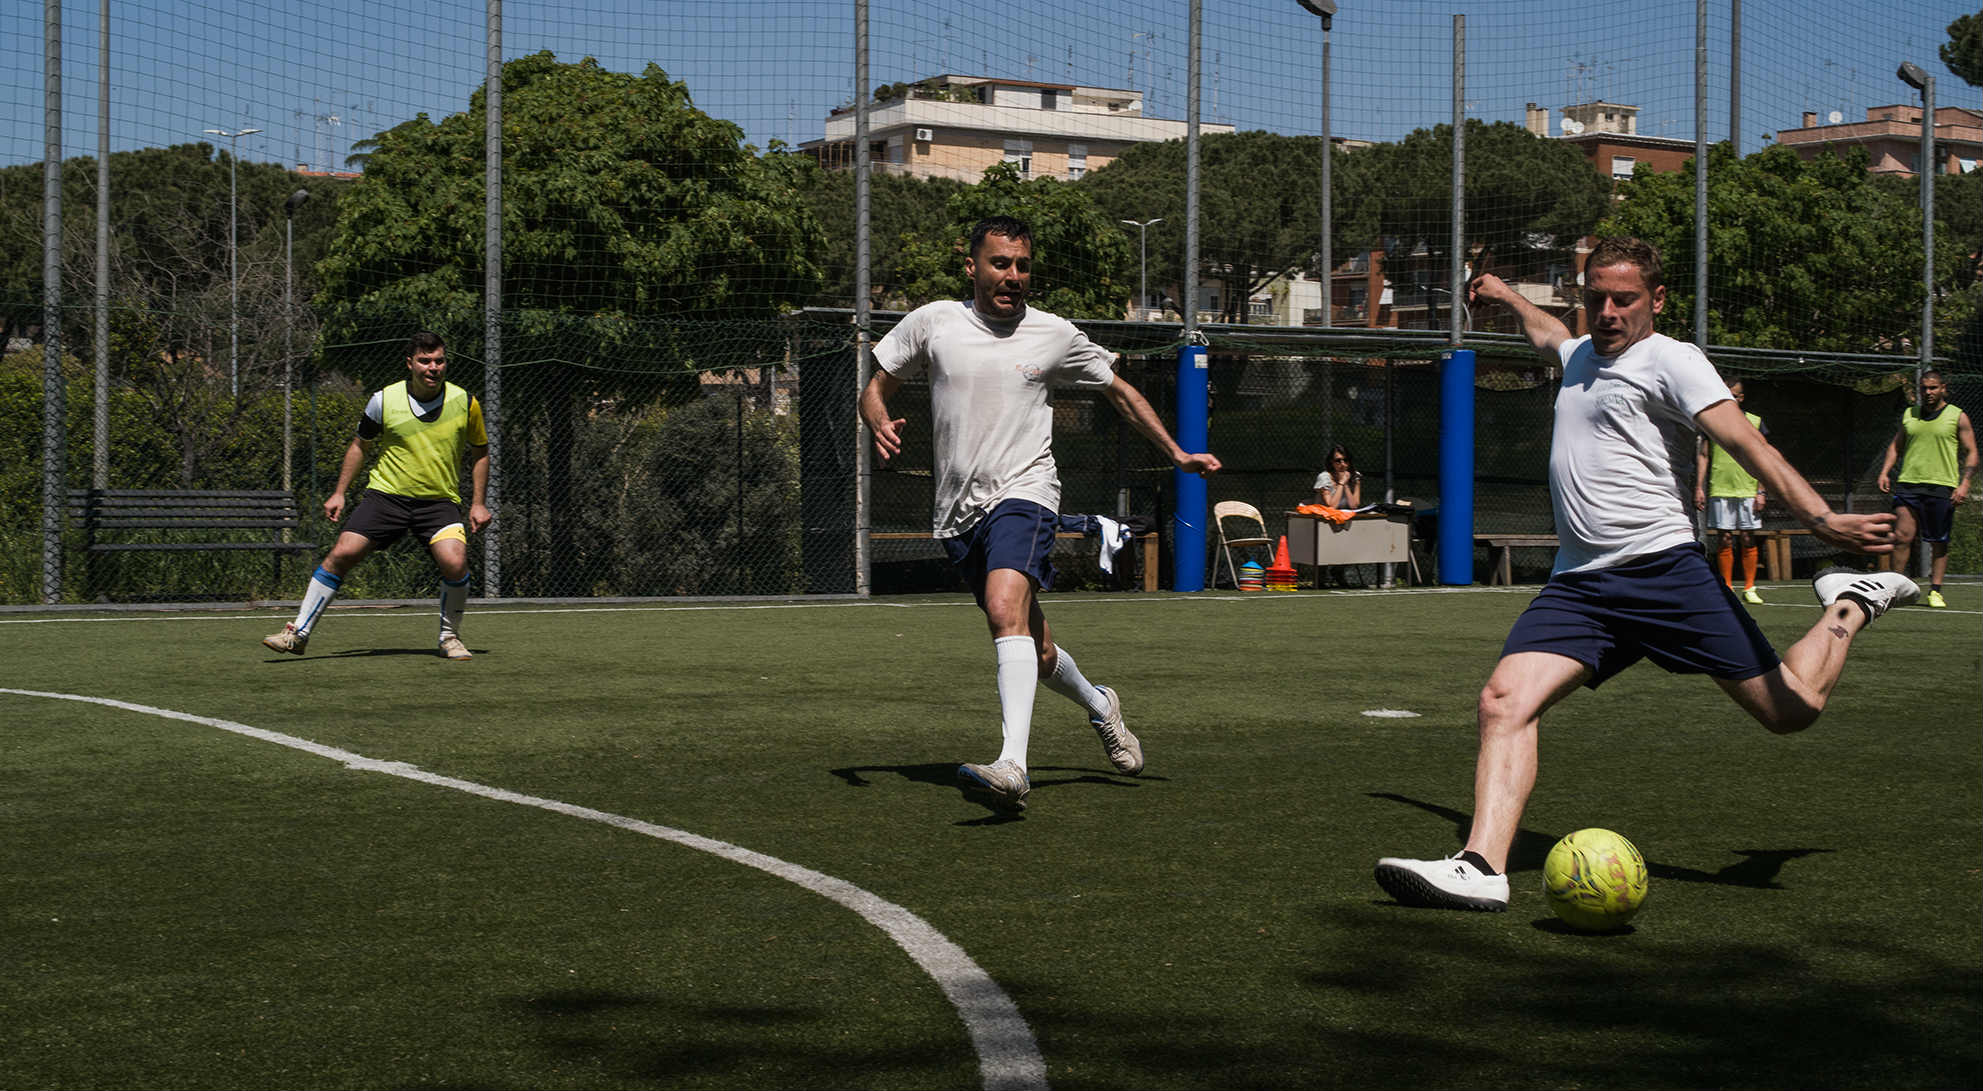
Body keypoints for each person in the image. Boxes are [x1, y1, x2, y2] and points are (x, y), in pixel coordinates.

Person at [1374, 237, 1916, 912]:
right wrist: (1508, 296)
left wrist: (1819, 520)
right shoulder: (1577, 357)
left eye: (1623, 299)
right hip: (1580, 583)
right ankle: (1481, 864)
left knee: (1790, 711)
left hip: (1661, 571)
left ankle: (1848, 604)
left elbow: (1745, 442)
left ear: (1656, 299)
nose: (1606, 311)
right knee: (1502, 701)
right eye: (1595, 296)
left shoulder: (1672, 360)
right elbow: (1549, 336)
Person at [860, 215, 1222, 814]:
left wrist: (1177, 451)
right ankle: (1102, 704)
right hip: (958, 512)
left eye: (1022, 265)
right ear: (972, 266)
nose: (1012, 276)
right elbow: (877, 385)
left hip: (1027, 492)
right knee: (1039, 647)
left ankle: (1012, 766)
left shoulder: (1053, 334)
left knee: (1006, 611)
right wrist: (876, 418)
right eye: (1000, 263)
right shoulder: (934, 322)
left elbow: (1121, 393)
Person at [262, 331, 492, 660]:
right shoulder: (383, 400)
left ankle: (449, 637)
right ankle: (297, 634)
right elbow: (360, 445)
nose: (433, 367)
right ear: (410, 363)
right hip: (386, 498)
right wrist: (340, 492)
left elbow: (480, 451)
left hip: (439, 503)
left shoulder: (465, 402)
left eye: (439, 360)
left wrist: (478, 502)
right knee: (343, 552)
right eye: (425, 361)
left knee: (454, 562)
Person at [1875, 370, 1976, 609]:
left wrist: (1964, 484)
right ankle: (1894, 590)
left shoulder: (1957, 416)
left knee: (1938, 541)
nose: (1928, 392)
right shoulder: (1909, 414)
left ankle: (1935, 591)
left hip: (1942, 486)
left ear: (1943, 388)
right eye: (1923, 388)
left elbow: (1972, 452)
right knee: (1901, 537)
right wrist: (1884, 471)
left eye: (1932, 388)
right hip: (1909, 483)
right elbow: (1895, 446)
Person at [1693, 379, 1768, 604]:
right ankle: (1726, 586)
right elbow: (1704, 455)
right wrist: (1699, 487)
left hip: (1747, 489)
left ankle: (1749, 587)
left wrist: (1761, 491)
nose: (1732, 399)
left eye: (1736, 395)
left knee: (1747, 537)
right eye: (1728, 394)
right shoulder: (1711, 422)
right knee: (1724, 539)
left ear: (1741, 398)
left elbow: (1764, 457)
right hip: (1721, 488)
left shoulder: (1754, 422)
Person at [1313, 444, 1363, 508]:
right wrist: (1341, 483)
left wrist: (1346, 484)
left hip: (1344, 514)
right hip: (1325, 515)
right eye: (1338, 460)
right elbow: (1332, 506)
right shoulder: (1324, 477)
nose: (1342, 464)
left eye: (1345, 460)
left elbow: (1354, 506)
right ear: (1332, 462)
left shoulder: (1355, 476)